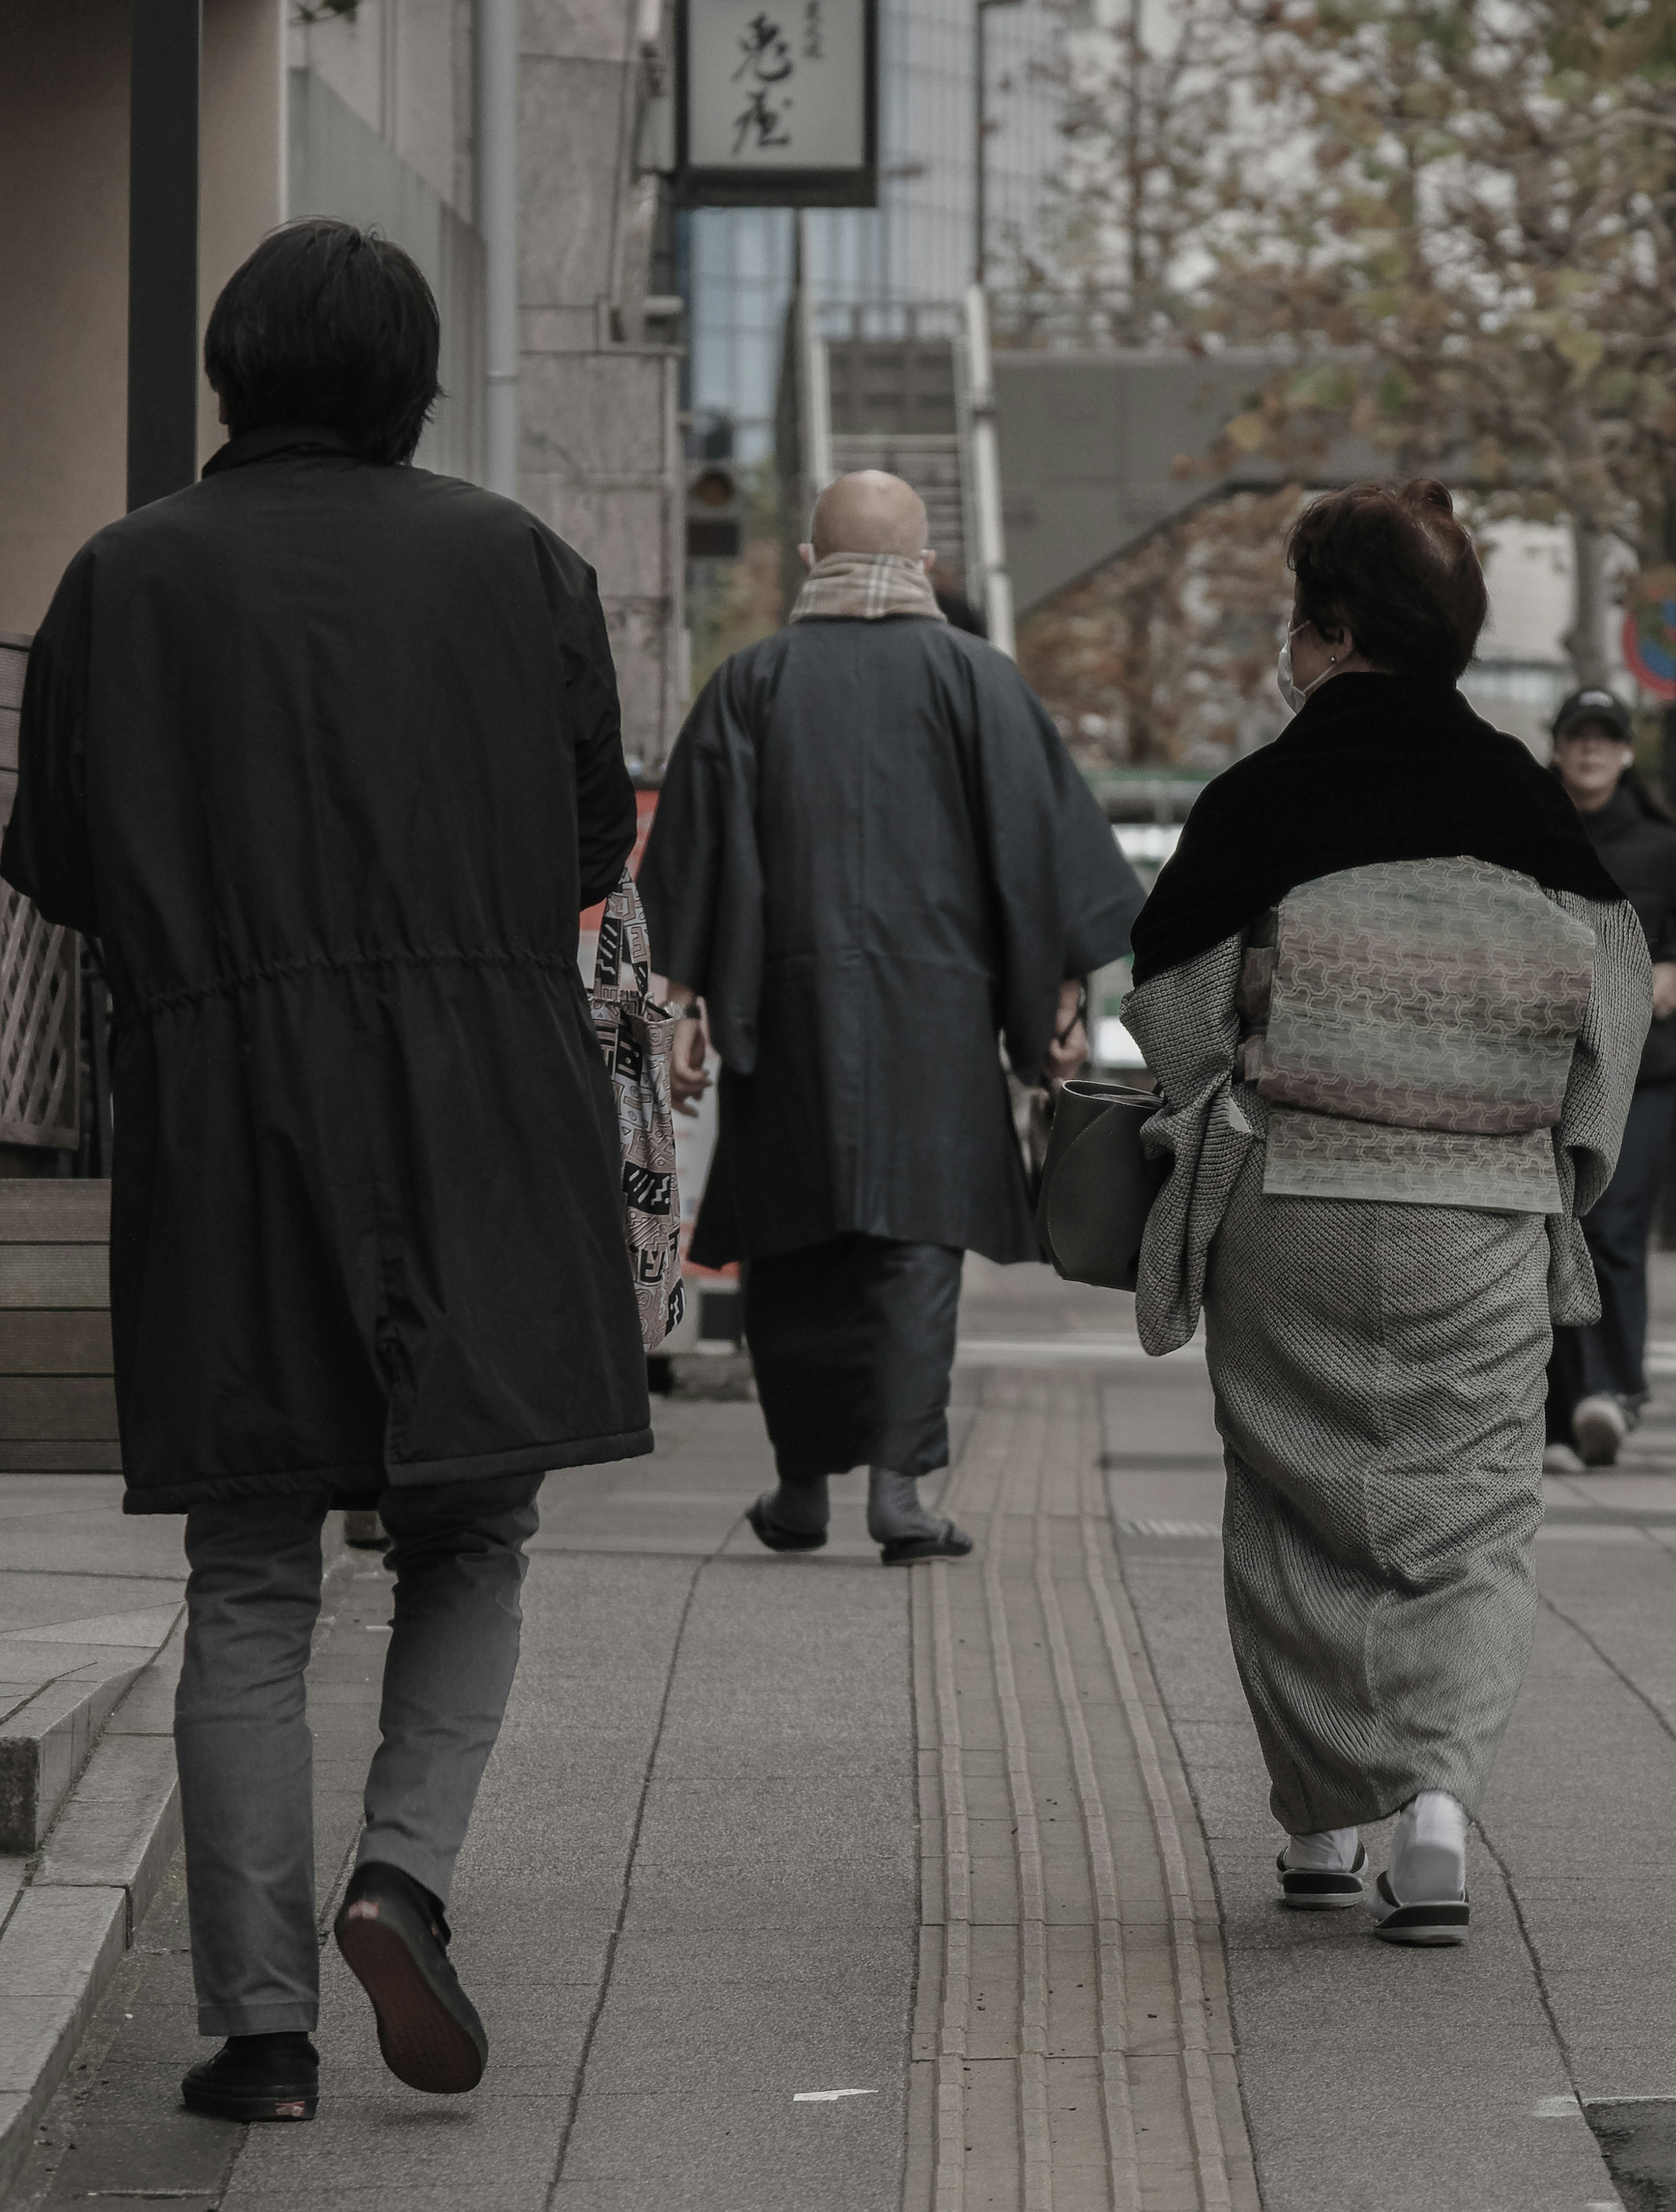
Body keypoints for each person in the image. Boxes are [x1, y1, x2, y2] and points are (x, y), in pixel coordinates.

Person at [0, 224, 650, 2126]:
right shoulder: (519, 561)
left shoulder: (122, 578)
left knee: (251, 1566)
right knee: (473, 1526)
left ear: (230, 371)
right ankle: (404, 1872)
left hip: (222, 1095)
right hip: (479, 1086)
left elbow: (52, 856)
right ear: (414, 385)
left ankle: (262, 2033)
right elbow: (593, 838)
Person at [1123, 481, 1650, 1944]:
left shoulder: (1262, 800)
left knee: (1295, 1502)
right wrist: (1566, 1167)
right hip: (1477, 1209)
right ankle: (1432, 1813)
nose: (1287, 648)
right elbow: (1610, 998)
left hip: (1296, 1190)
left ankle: (1319, 1823)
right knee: (1470, 1513)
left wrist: (1229, 1095)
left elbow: (1170, 998)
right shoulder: (1525, 802)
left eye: (1298, 621)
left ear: (1338, 631)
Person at [643, 469, 1143, 1561]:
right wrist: (1055, 997)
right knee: (915, 1250)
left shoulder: (752, 681)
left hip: (790, 1016)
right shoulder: (980, 681)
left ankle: (800, 1488)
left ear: (814, 564)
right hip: (938, 1022)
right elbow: (1044, 857)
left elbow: (695, 855)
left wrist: (679, 1002)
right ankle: (901, 1492)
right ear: (923, 568)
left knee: (792, 1245)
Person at [1545, 685, 1676, 1469]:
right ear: (1558, 748)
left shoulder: (1663, 848)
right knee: (1549, 1228)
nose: (1592, 750)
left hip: (1639, 1073)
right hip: (1541, 1070)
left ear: (1627, 753)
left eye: (1606, 738)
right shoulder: (1527, 829)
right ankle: (1560, 1415)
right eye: (1579, 737)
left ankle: (1612, 1391)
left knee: (1611, 1226)